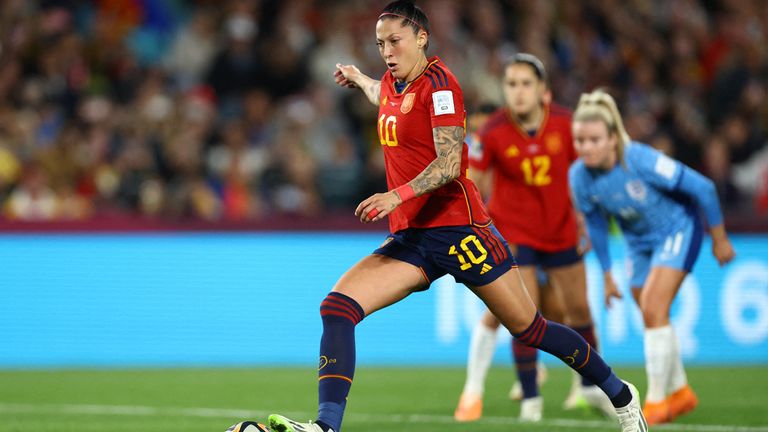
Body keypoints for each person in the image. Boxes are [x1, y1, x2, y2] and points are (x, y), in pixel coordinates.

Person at [268, 3, 647, 432]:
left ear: (421, 38)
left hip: (460, 230)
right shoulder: (393, 83)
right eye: (380, 44)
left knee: (532, 329)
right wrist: (361, 81)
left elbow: (450, 165)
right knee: (337, 307)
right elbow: (388, 101)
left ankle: (620, 394)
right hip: (415, 239)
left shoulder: (442, 86)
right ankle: (326, 427)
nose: (387, 51)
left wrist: (397, 195)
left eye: (395, 41)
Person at [454, 53, 612, 423]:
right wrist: (476, 227)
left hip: (560, 231)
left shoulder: (566, 124)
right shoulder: (491, 131)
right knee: (525, 317)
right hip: (514, 235)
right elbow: (474, 183)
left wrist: (586, 218)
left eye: (526, 84)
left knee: (580, 311)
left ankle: (589, 388)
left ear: (543, 90)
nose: (518, 92)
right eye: (511, 84)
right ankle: (531, 401)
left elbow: (586, 176)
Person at [568, 89, 736, 425]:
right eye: (580, 140)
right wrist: (606, 274)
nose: (585, 147)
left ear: (613, 139)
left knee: (654, 307)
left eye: (594, 140)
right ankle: (680, 390)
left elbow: (703, 187)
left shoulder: (640, 159)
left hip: (677, 229)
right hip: (638, 242)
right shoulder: (579, 176)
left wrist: (718, 238)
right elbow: (597, 226)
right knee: (651, 311)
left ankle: (658, 401)